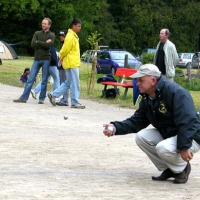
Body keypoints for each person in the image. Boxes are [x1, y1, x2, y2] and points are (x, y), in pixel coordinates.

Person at [103, 64, 200, 184]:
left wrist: (184, 147)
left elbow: (188, 122)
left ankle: (182, 168)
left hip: (192, 136)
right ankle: (170, 169)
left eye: (140, 80)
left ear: (153, 80)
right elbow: (138, 121)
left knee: (163, 147)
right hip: (171, 134)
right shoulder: (148, 97)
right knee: (141, 137)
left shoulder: (176, 93)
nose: (137, 83)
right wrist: (115, 127)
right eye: (137, 80)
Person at [13, 18, 55, 104]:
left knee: (44, 80)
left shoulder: (51, 35)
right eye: (42, 23)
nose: (43, 25)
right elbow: (32, 44)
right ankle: (24, 97)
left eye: (45, 24)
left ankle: (41, 99)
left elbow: (48, 46)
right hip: (36, 59)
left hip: (46, 59)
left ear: (49, 25)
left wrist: (38, 42)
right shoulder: (37, 33)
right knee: (30, 79)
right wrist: (42, 43)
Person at [47, 18, 85, 109]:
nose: (80, 28)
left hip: (71, 62)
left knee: (68, 83)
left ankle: (53, 95)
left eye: (80, 26)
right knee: (75, 83)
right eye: (78, 26)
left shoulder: (73, 36)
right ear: (73, 26)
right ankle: (74, 102)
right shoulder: (70, 36)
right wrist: (60, 57)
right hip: (71, 63)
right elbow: (64, 49)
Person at [56, 30, 70, 106]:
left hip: (65, 64)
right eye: (60, 36)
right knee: (62, 81)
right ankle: (64, 98)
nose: (61, 37)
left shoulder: (66, 44)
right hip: (61, 64)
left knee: (64, 81)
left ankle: (65, 100)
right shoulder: (61, 43)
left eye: (63, 36)